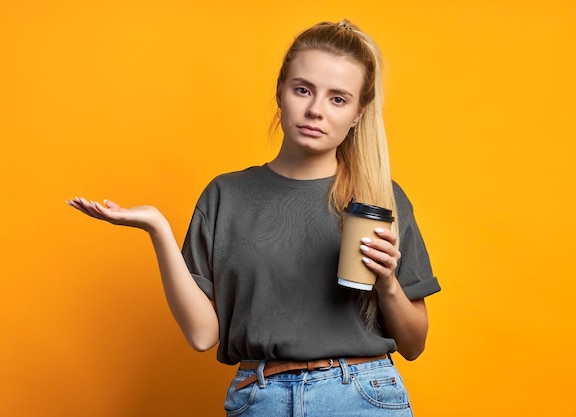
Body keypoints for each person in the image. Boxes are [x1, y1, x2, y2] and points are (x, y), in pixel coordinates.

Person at [68, 19, 441, 416]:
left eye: (338, 99)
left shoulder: (379, 200)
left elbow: (414, 345)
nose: (315, 110)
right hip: (260, 398)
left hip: (362, 396)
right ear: (280, 92)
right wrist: (157, 228)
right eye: (303, 90)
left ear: (357, 114)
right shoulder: (226, 196)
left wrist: (387, 283)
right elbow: (202, 334)